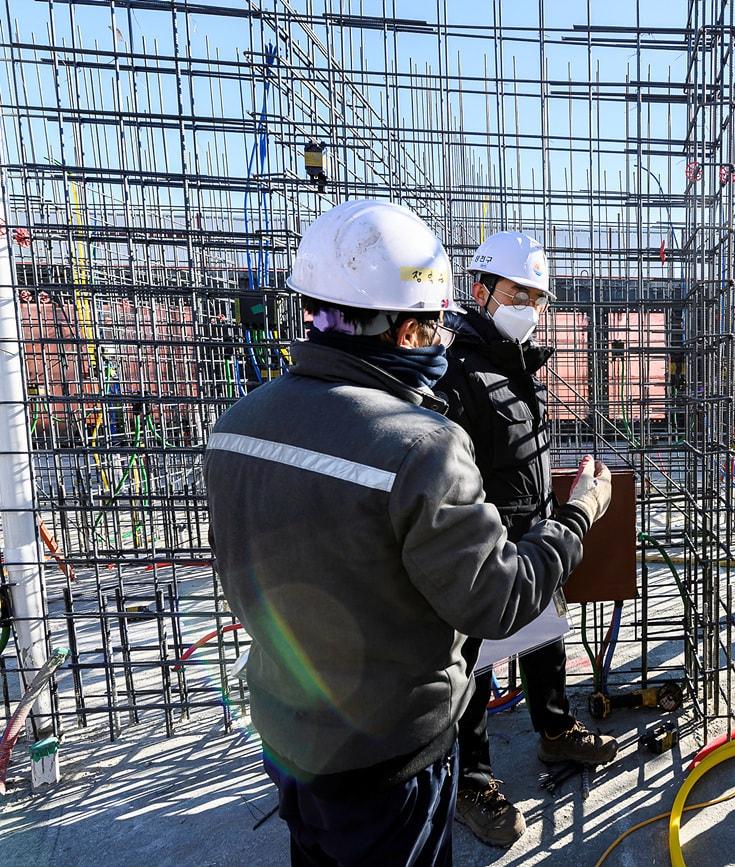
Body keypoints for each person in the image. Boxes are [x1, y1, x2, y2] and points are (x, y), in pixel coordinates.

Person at [204, 200, 613, 867]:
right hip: (387, 753)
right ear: (404, 330)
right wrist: (578, 516)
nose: (438, 340)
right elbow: (496, 600)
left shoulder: (237, 423)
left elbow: (241, 575)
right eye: (431, 325)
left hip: (289, 733)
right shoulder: (420, 443)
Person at [439, 230, 618, 848]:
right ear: (480, 290)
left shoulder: (516, 363)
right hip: (484, 548)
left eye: (540, 297)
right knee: (472, 669)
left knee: (544, 645)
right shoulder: (454, 371)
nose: (531, 307)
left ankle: (555, 728)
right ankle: (473, 782)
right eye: (520, 293)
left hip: (535, 535)